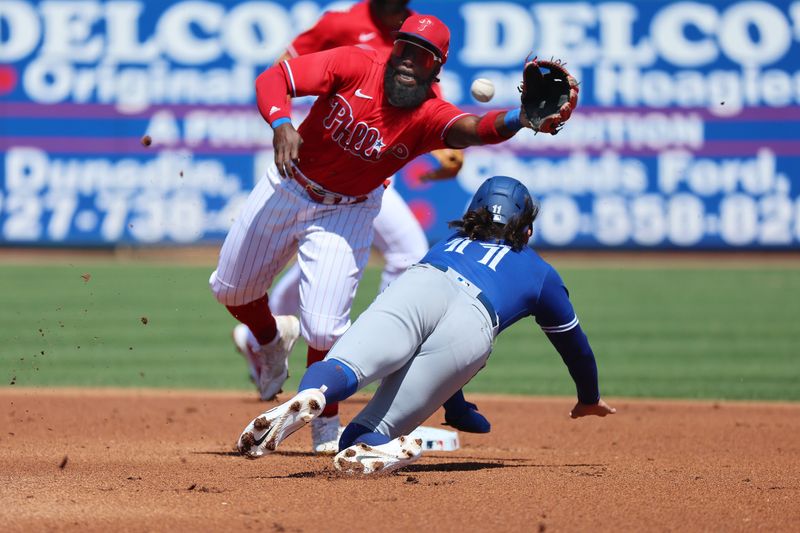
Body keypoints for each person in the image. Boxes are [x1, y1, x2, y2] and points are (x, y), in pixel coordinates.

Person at [210, 13, 570, 455]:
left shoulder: (427, 113)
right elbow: (274, 78)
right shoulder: (356, 62)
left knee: (324, 329)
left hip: (347, 212)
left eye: (422, 56)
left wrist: (517, 118)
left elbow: (473, 129)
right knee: (232, 291)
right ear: (393, 47)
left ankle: (326, 429)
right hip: (289, 184)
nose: (407, 59)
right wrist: (283, 122)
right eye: (404, 48)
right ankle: (270, 341)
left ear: (435, 68)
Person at [236, 175, 616, 475]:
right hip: (475, 321)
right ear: (527, 229)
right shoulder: (539, 273)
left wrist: (459, 409)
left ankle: (314, 395)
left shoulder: (449, 241)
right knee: (360, 434)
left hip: (423, 281)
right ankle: (382, 447)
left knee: (341, 368)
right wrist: (588, 397)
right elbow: (576, 348)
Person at [231, 0, 481, 444]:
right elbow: (284, 67)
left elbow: (440, 123)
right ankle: (280, 334)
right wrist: (284, 115)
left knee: (391, 261)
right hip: (314, 160)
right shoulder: (345, 26)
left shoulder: (415, 61)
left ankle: (353, 365)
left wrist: (454, 150)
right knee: (240, 287)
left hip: (365, 185)